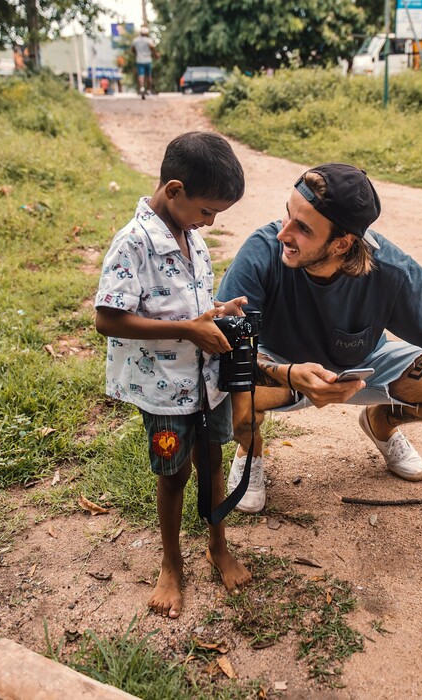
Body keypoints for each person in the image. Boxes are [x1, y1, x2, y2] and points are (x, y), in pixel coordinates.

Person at [217, 162, 422, 513]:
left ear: (342, 243)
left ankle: (382, 422)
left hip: (361, 367)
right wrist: (290, 374)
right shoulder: (261, 252)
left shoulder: (391, 269)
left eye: (302, 228)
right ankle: (250, 449)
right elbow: (227, 350)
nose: (283, 234)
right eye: (287, 215)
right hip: (281, 371)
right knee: (230, 384)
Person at [95, 131, 251, 618]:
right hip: (166, 394)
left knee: (212, 463)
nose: (209, 222)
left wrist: (216, 312)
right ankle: (171, 563)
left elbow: (192, 306)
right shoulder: (133, 243)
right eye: (207, 211)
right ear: (174, 190)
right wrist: (188, 329)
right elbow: (106, 317)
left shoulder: (193, 239)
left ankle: (217, 546)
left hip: (209, 383)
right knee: (174, 473)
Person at [131, 25, 159, 99]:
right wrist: (156, 54)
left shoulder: (135, 40)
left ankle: (142, 88)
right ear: (146, 33)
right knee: (148, 76)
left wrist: (137, 53)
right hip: (148, 60)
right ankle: (149, 90)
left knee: (141, 75)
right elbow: (152, 47)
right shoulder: (148, 40)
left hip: (139, 60)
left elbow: (132, 49)